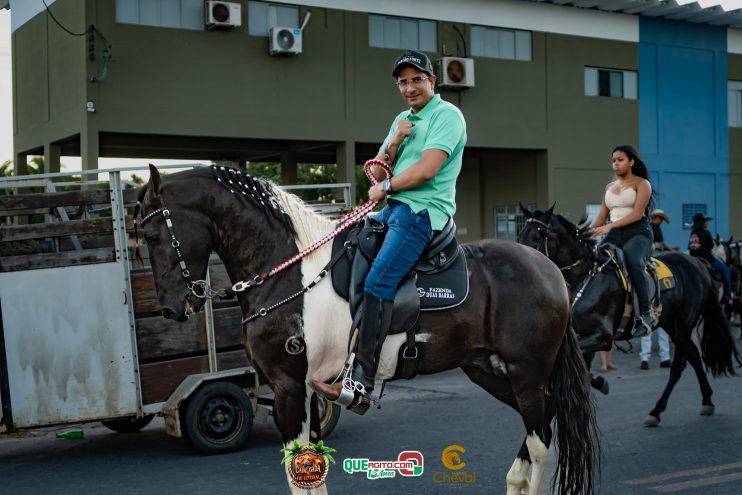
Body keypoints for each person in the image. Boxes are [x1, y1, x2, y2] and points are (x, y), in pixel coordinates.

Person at [313, 50, 467, 409]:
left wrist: (387, 188)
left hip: (423, 214)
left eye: (417, 79)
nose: (410, 87)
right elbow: (377, 173)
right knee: (342, 251)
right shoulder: (402, 118)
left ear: (432, 81)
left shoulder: (447, 116)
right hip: (394, 210)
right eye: (403, 82)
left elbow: (427, 169)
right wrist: (395, 140)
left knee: (379, 280)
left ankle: (361, 382)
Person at [590, 145, 657, 337]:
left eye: (620, 160)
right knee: (594, 261)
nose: (616, 164)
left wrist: (609, 226)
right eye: (613, 160)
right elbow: (602, 216)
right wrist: (586, 232)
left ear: (631, 162)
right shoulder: (609, 188)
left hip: (638, 232)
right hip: (615, 234)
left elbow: (637, 214)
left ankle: (646, 313)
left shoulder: (642, 184)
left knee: (634, 261)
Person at [640, 209, 673, 369]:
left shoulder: (644, 227)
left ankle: (645, 358)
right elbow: (661, 244)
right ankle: (664, 357)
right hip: (655, 267)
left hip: (645, 274)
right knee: (662, 325)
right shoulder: (655, 228)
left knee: (646, 326)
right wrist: (670, 251)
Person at [688, 213, 733, 306]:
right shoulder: (706, 233)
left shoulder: (693, 234)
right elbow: (711, 247)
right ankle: (728, 296)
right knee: (726, 270)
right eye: (705, 222)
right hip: (707, 258)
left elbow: (690, 247)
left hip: (693, 259)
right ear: (702, 223)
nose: (707, 223)